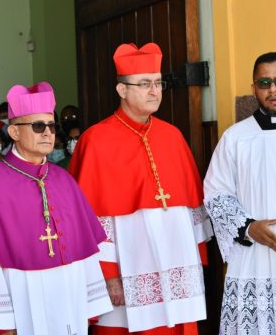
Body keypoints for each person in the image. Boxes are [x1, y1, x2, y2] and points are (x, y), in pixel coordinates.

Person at [0, 81, 112, 335]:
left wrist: (88, 301)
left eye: (51, 125)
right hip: (19, 300)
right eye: (38, 125)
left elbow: (84, 249)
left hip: (68, 300)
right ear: (14, 132)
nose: (48, 133)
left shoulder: (64, 179)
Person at [69, 42, 212, 334]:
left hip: (176, 265)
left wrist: (197, 259)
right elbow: (91, 218)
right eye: (144, 84)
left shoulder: (172, 136)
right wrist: (107, 276)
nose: (154, 91)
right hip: (126, 267)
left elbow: (190, 210)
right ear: (122, 90)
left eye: (158, 83)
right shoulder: (95, 141)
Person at [204, 52, 276, 334]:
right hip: (255, 257)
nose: (273, 89)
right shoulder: (235, 138)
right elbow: (215, 193)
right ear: (253, 87)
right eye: (264, 82)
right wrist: (247, 228)